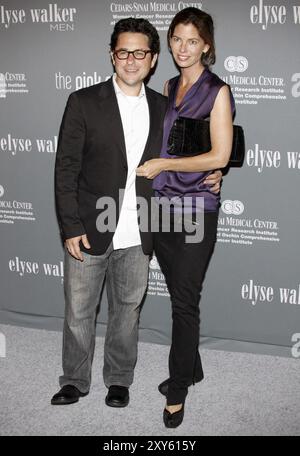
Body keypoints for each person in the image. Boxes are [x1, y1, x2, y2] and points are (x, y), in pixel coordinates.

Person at [52, 17, 222, 409]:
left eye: (140, 52)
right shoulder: (83, 101)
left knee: (126, 314)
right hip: (91, 227)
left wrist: (214, 170)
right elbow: (65, 169)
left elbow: (196, 150)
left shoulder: (166, 107)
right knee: (79, 312)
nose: (131, 60)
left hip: (143, 230)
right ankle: (74, 380)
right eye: (123, 52)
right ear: (112, 56)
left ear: (153, 58)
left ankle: (119, 380)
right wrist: (70, 225)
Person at [136, 7, 235, 427]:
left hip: (196, 209)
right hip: (160, 206)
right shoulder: (169, 84)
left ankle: (178, 390)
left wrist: (165, 165)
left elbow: (221, 154)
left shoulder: (218, 90)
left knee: (185, 302)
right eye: (176, 38)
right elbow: (179, 142)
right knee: (179, 291)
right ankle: (191, 368)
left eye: (192, 40)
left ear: (206, 46)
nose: (182, 47)